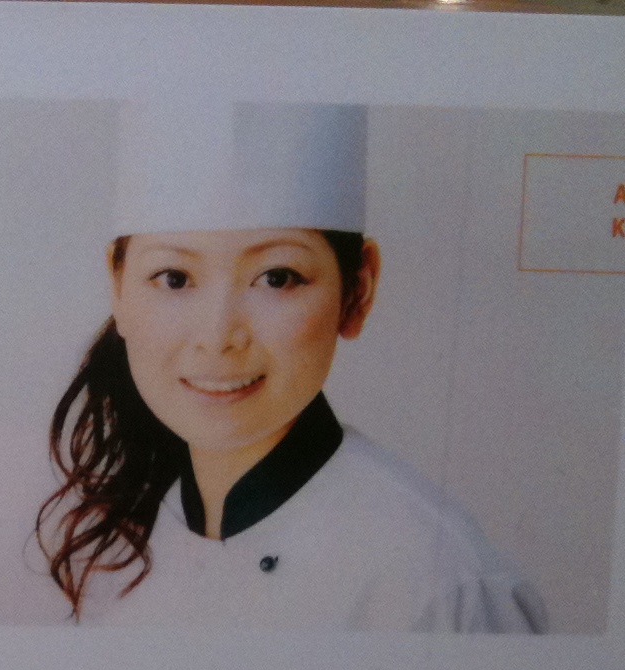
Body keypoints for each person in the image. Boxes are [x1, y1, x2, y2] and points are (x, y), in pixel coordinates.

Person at [37, 102, 545, 633]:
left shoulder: (441, 588)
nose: (218, 336)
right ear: (117, 288)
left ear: (358, 292)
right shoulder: (116, 551)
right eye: (174, 278)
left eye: (276, 278)